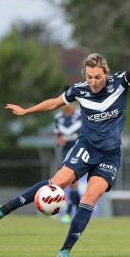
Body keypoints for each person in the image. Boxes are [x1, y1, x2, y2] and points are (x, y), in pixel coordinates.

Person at [0, 21, 130, 257]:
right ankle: (1, 212)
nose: (93, 81)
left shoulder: (120, 83)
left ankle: (65, 251)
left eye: (97, 77)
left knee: (90, 197)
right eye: (89, 77)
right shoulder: (79, 90)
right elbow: (55, 102)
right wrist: (27, 111)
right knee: (54, 186)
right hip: (85, 149)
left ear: (106, 74)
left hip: (109, 155)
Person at [53, 96, 82, 224]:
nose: (66, 105)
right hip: (65, 151)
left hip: (78, 151)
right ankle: (80, 210)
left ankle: (69, 213)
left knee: (73, 182)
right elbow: (57, 137)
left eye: (69, 103)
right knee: (70, 183)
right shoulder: (58, 118)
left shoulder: (80, 116)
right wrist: (59, 140)